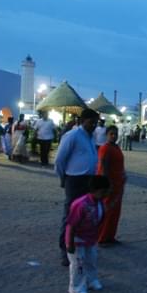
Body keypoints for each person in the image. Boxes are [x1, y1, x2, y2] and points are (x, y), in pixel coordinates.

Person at [55, 109, 99, 266]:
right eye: (90, 122)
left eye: (95, 123)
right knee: (70, 216)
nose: (93, 125)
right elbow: (60, 160)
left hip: (89, 181)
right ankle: (64, 250)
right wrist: (63, 178)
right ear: (82, 120)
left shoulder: (90, 137)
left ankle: (80, 247)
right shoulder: (72, 136)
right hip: (74, 180)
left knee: (85, 215)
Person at [65, 175, 110, 293]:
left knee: (91, 260)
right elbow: (71, 225)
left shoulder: (99, 203)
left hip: (90, 239)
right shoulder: (81, 204)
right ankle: (75, 286)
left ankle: (91, 280)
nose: (106, 194)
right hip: (77, 240)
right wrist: (69, 243)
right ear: (95, 190)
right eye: (104, 191)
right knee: (78, 264)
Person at [97, 125, 126, 245]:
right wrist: (107, 185)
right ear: (107, 135)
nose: (114, 136)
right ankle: (102, 238)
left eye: (115, 134)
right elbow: (103, 167)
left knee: (115, 212)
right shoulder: (105, 148)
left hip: (118, 184)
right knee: (107, 211)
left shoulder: (116, 147)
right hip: (110, 185)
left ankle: (110, 236)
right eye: (111, 134)